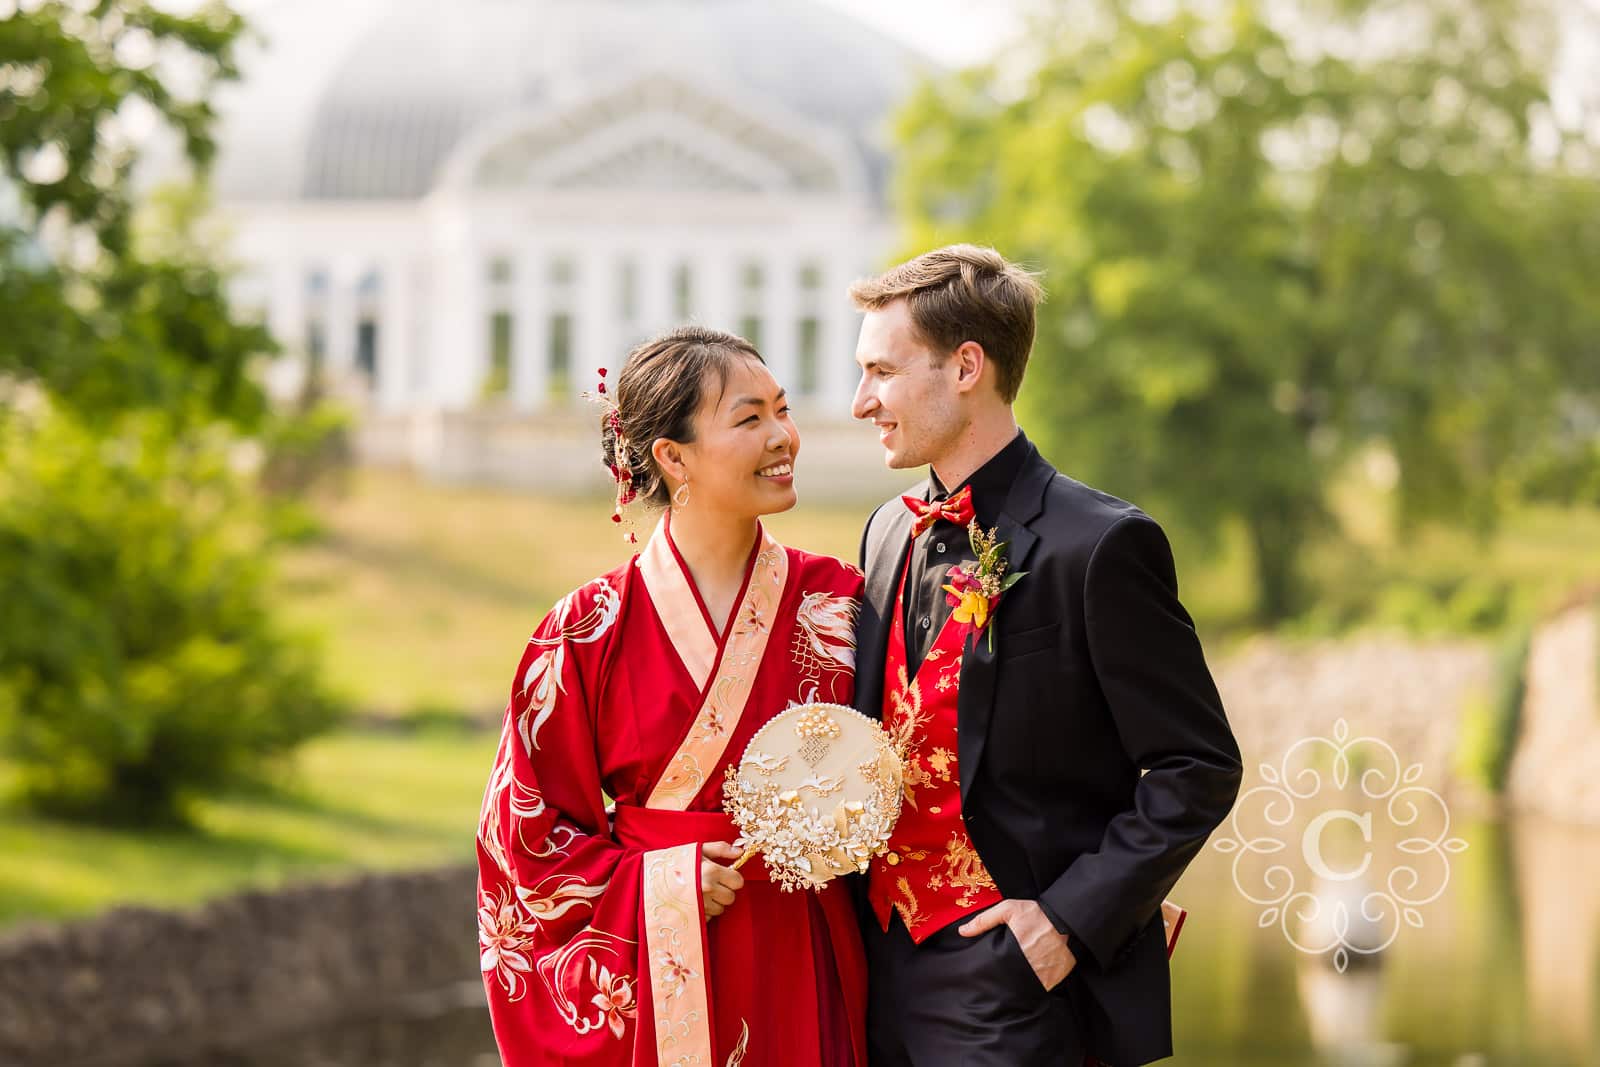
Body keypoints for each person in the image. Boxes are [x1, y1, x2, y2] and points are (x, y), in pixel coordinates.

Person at [848, 246, 1244, 1066]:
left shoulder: (1101, 545)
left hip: (1018, 986)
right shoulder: (887, 530)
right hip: (871, 968)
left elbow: (1196, 764)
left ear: (966, 367)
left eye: (882, 372)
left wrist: (1064, 921)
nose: (861, 402)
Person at [476, 326, 868, 1066]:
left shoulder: (841, 605)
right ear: (672, 455)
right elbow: (522, 843)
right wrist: (662, 880)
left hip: (805, 947)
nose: (784, 435)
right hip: (656, 962)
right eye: (750, 418)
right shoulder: (584, 632)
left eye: (782, 411)